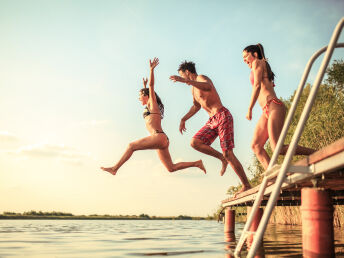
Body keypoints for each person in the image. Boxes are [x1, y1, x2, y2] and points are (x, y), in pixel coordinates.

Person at [101, 58, 206, 175]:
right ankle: (197, 163)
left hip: (158, 137)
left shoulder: (152, 103)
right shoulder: (150, 106)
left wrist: (151, 70)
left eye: (140, 95)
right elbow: (147, 89)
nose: (138, 98)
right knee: (171, 168)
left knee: (131, 146)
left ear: (147, 96)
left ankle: (114, 168)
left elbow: (151, 86)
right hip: (162, 139)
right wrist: (144, 86)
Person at [169, 61, 251, 193]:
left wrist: (186, 82)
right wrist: (183, 118)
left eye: (182, 75)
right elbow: (196, 106)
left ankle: (246, 185)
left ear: (188, 72)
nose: (182, 79)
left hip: (222, 115)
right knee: (195, 142)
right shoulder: (192, 89)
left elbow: (208, 87)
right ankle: (221, 158)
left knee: (228, 153)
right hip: (212, 120)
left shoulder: (201, 78)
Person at [242, 44, 315, 170]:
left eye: (246, 56)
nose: (244, 60)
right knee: (256, 145)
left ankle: (317, 152)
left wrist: (249, 108)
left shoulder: (257, 62)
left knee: (277, 149)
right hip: (266, 110)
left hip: (273, 105)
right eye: (243, 58)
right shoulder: (260, 65)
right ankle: (272, 172)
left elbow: (257, 86)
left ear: (254, 54)